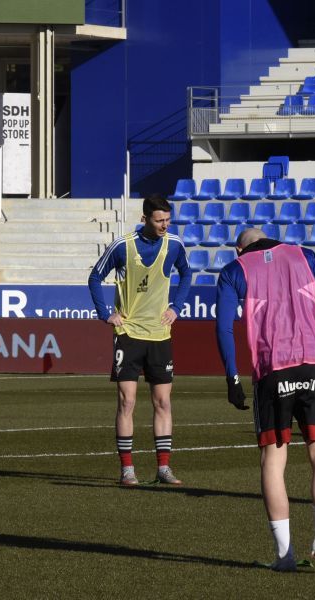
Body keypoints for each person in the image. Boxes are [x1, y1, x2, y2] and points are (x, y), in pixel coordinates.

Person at [215, 228, 315, 574]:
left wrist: (232, 376)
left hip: (272, 370)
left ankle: (285, 555)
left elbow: (224, 328)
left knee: (272, 462)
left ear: (239, 248)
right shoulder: (304, 254)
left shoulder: (234, 270)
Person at [88, 194, 191, 486]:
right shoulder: (122, 246)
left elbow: (187, 274)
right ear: (144, 218)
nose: (165, 225)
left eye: (168, 220)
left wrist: (176, 307)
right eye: (159, 220)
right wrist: (105, 313)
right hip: (128, 334)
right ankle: (127, 469)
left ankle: (163, 468)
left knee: (163, 402)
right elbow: (95, 277)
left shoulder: (174, 244)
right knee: (127, 401)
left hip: (160, 334)